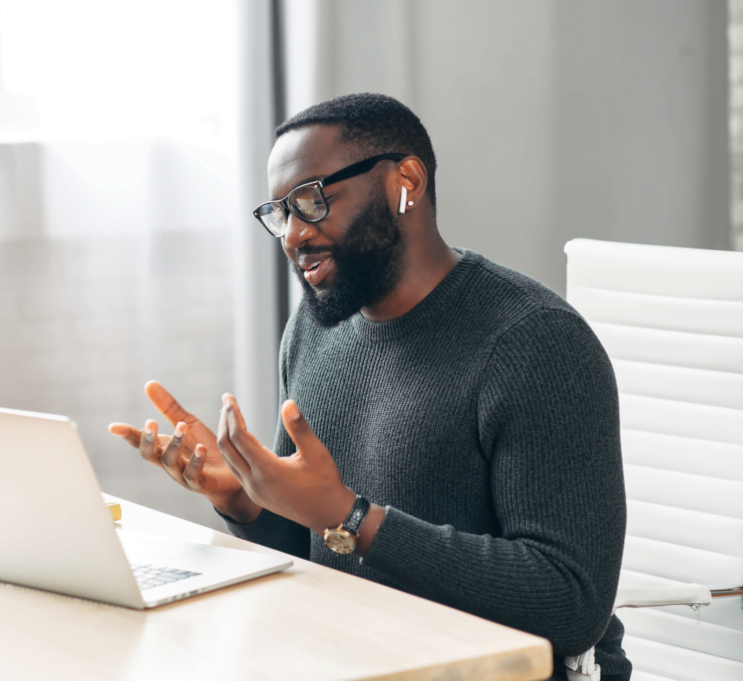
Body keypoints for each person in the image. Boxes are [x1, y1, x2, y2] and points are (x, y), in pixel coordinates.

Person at [109, 93, 629, 680]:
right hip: (363, 656)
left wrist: (351, 518)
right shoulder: (313, 329)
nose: (292, 235)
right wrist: (245, 500)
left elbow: (570, 603)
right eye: (280, 213)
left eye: (311, 200)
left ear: (404, 180)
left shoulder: (534, 343)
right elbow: (314, 546)